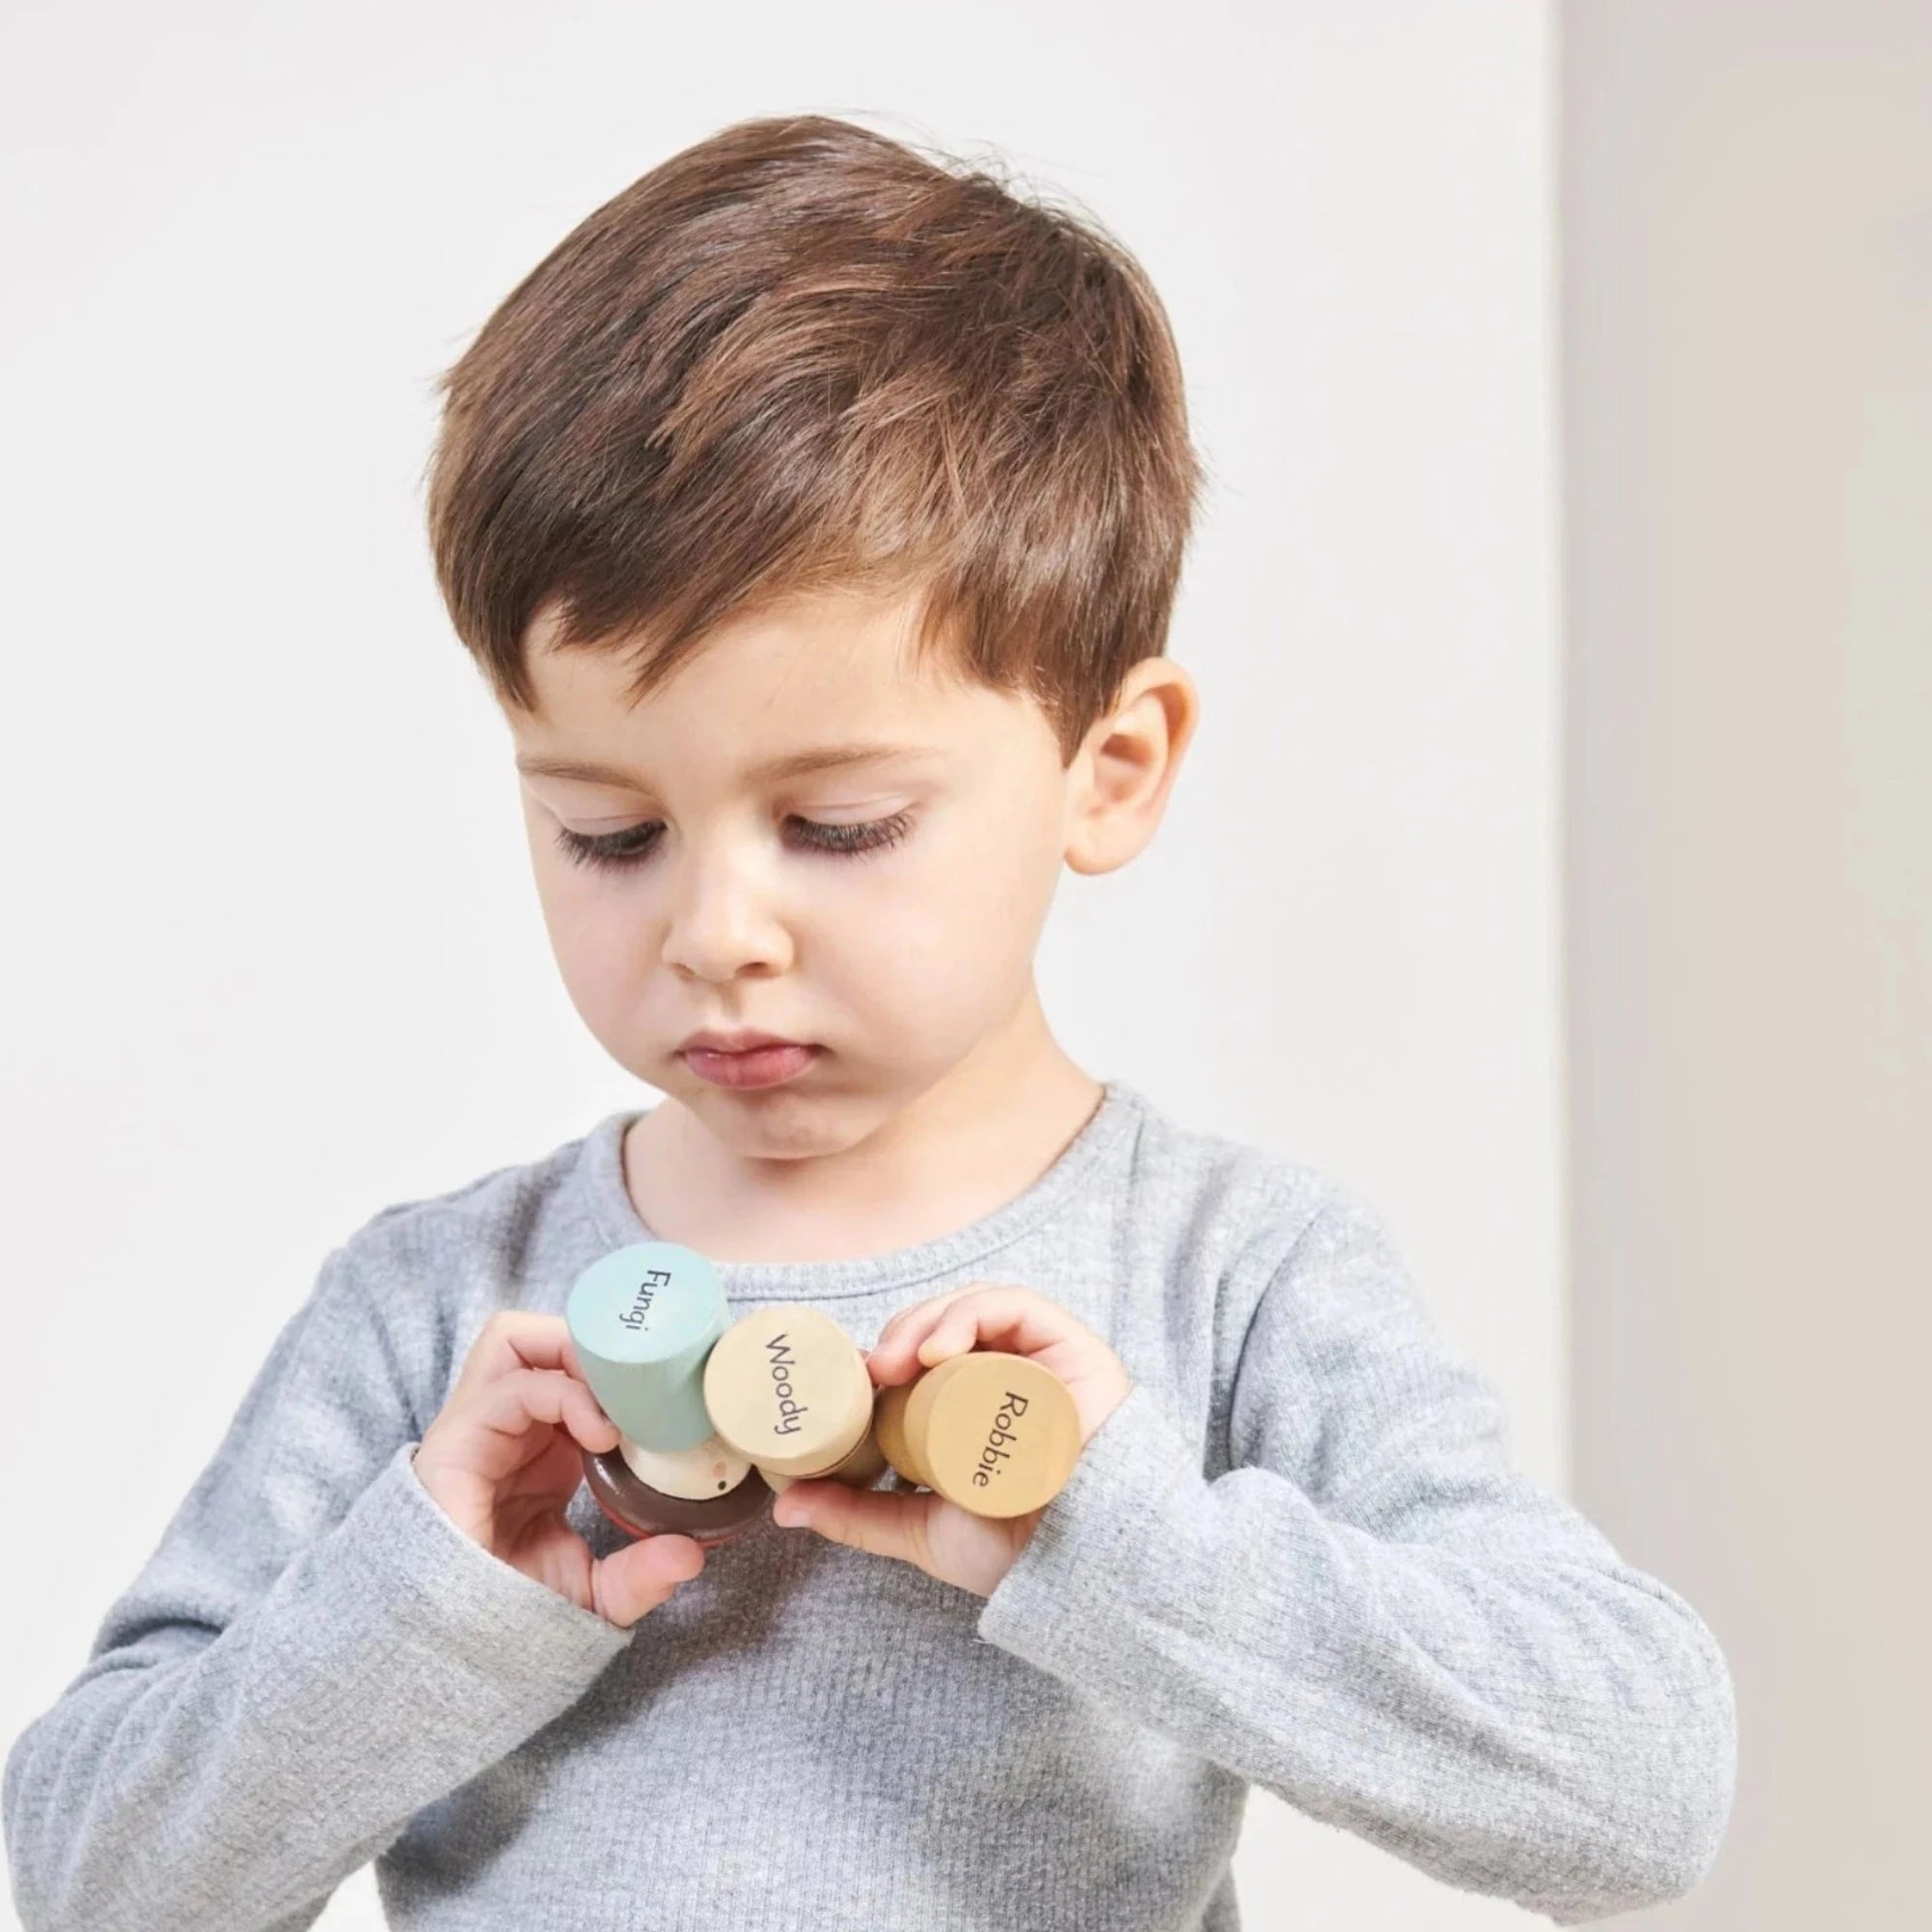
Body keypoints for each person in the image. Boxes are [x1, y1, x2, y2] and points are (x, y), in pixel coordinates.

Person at [1, 113, 1735, 1931]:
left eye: (838, 828)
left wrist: (1108, 1532)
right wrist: (431, 1584)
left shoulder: (1229, 1274)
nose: (713, 935)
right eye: (609, 831)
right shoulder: (442, 1306)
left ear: (1110, 768)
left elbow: (1635, 1787)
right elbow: (96, 1876)